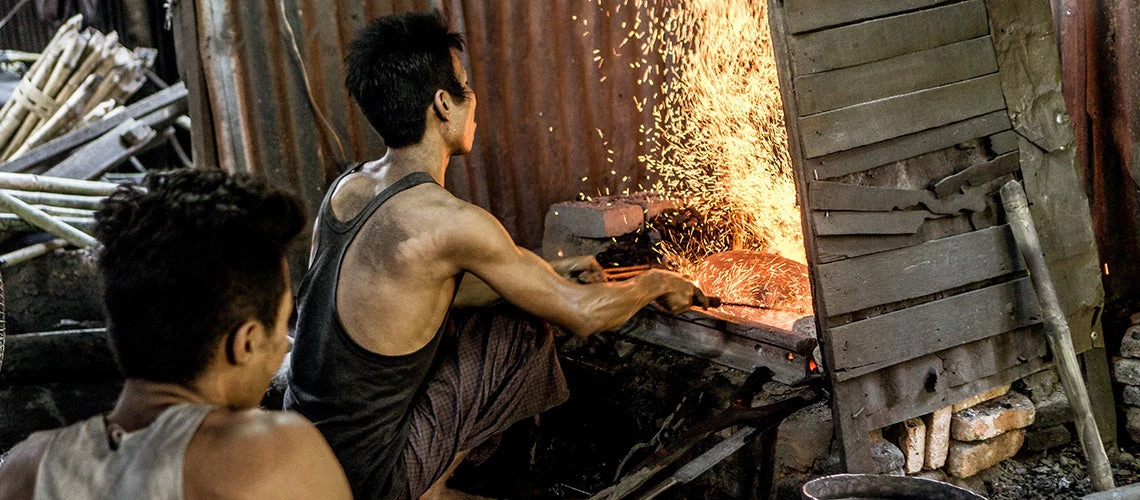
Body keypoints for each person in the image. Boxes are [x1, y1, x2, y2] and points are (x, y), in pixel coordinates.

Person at [283, 9, 708, 500]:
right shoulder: (453, 221)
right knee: (523, 328)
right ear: (443, 104)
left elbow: (408, 295)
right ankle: (427, 489)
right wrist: (656, 281)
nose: (473, 101)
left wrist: (547, 269)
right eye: (465, 84)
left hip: (309, 450)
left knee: (508, 300)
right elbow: (582, 316)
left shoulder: (347, 189)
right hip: (372, 478)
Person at [0, 170, 352, 500]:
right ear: (245, 343)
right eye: (281, 324)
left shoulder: (25, 471)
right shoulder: (277, 454)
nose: (282, 347)